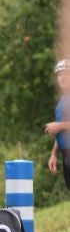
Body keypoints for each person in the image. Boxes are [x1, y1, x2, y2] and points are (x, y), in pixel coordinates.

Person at [47, 60, 70, 188]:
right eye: (59, 74)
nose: (62, 77)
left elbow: (60, 127)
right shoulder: (62, 100)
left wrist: (60, 126)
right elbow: (60, 130)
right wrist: (54, 154)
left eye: (66, 73)